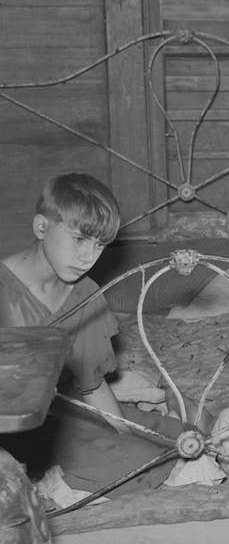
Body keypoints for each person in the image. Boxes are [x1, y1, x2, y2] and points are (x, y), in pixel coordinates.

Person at [0, 173, 181, 493]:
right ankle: (48, 483)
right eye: (79, 239)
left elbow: (92, 385)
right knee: (134, 462)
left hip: (66, 416)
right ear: (42, 227)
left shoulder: (85, 292)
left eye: (100, 245)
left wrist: (122, 434)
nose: (88, 257)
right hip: (14, 432)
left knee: (184, 439)